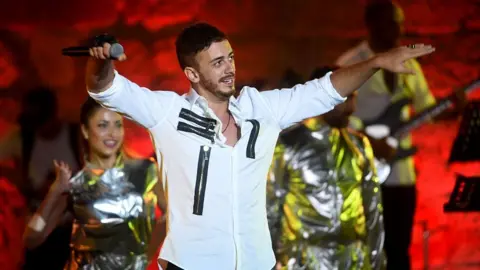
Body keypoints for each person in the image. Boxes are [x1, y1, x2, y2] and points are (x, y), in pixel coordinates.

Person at [85, 22, 434, 270]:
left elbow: (324, 90)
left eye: (231, 58)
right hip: (191, 264)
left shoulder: (260, 108)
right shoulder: (168, 113)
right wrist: (100, 62)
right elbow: (107, 89)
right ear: (192, 74)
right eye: (218, 62)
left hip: (257, 262)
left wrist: (374, 62)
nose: (229, 68)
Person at [335, 2, 464, 269]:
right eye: (392, 22)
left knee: (399, 249)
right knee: (365, 248)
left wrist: (452, 109)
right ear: (372, 24)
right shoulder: (349, 64)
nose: (399, 29)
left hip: (402, 174)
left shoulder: (409, 65)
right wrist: (369, 142)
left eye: (400, 22)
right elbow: (334, 119)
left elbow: (427, 109)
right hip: (363, 171)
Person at [23, 97, 167, 269]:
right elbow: (32, 239)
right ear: (85, 130)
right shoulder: (77, 184)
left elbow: (172, 218)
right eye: (103, 125)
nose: (112, 133)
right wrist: (55, 191)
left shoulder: (146, 171)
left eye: (117, 124)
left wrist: (145, 256)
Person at [267, 66, 385, 270]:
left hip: (355, 261)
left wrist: (376, 258)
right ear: (323, 96)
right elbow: (270, 210)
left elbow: (373, 208)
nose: (352, 107)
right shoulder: (287, 145)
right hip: (304, 262)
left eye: (354, 98)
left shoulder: (358, 145)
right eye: (346, 98)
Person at [0, 87, 82, 270]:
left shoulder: (75, 136)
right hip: (39, 224)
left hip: (72, 226)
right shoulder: (23, 138)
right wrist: (17, 178)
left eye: (42, 122)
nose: (39, 128)